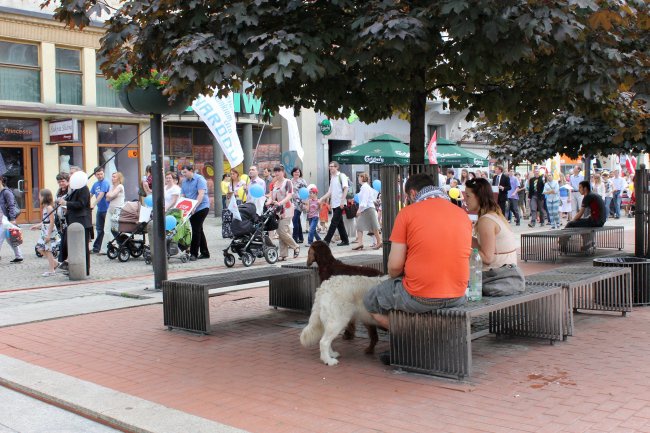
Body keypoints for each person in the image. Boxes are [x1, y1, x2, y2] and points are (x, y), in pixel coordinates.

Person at [363, 174, 470, 356]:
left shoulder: (407, 213)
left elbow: (394, 267)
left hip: (419, 296)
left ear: (412, 193)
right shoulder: (461, 214)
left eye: (406, 197)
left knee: (370, 300)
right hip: (459, 294)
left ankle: (412, 340)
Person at [464, 178, 525, 296]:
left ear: (479, 197)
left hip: (496, 276)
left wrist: (462, 251)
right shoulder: (494, 214)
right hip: (507, 273)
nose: (465, 200)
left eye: (468, 196)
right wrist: (463, 237)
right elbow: (486, 247)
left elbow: (487, 258)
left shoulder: (486, 220)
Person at [58, 171, 92, 276]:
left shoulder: (84, 189)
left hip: (82, 221)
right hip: (73, 220)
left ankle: (84, 270)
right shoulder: (74, 189)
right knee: (71, 246)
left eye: (72, 174)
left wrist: (66, 203)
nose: (70, 176)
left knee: (83, 247)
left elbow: (81, 204)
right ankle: (73, 267)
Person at [268, 164, 300, 261]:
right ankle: (283, 255)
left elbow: (289, 195)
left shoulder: (287, 182)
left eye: (279, 171)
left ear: (283, 172)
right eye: (275, 171)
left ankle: (295, 246)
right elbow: (271, 196)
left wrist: (280, 203)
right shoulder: (274, 183)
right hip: (276, 211)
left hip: (286, 209)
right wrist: (268, 202)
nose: (277, 173)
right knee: (280, 232)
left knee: (281, 231)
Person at [180, 165, 211, 260]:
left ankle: (194, 254)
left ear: (191, 171)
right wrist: (182, 207)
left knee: (196, 229)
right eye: (182, 173)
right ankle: (205, 252)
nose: (184, 174)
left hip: (201, 207)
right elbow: (183, 195)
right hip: (190, 208)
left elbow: (201, 194)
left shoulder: (199, 179)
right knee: (199, 229)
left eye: (185, 172)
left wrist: (194, 206)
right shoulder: (184, 181)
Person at [319, 161, 350, 246]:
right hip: (334, 203)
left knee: (334, 222)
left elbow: (346, 189)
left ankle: (326, 240)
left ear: (337, 167)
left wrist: (342, 201)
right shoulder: (332, 178)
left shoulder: (341, 176)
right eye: (329, 166)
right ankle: (345, 240)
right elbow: (330, 192)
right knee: (340, 223)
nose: (330, 168)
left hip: (340, 203)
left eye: (332, 166)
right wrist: (322, 198)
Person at [31, 189, 60, 276]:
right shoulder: (45, 208)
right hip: (44, 230)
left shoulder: (49, 208)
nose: (39, 197)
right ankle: (55, 263)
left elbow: (52, 222)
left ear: (44, 197)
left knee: (48, 250)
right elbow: (45, 221)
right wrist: (37, 226)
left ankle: (51, 270)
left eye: (40, 196)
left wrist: (48, 235)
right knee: (40, 248)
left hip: (49, 231)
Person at [352, 172, 381, 251]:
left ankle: (379, 241)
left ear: (362, 178)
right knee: (360, 226)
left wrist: (359, 210)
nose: (358, 179)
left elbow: (364, 201)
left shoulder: (365, 187)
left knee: (373, 227)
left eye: (359, 177)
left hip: (368, 209)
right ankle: (361, 243)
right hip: (367, 209)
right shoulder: (365, 187)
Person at [100, 171, 125, 255]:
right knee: (106, 229)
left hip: (118, 210)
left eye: (114, 176)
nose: (112, 178)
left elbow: (110, 195)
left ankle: (119, 244)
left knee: (114, 229)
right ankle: (104, 249)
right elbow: (107, 198)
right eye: (112, 176)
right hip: (110, 209)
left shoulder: (120, 186)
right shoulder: (111, 186)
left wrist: (110, 195)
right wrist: (110, 195)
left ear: (119, 178)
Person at [0, 175, 23, 263]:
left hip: (5, 220)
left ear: (1, 180)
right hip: (1, 220)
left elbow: (11, 205)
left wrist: (12, 219)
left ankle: (19, 255)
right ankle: (19, 256)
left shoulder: (6, 192)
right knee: (10, 239)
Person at [90, 167, 110, 254]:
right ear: (95, 175)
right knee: (99, 229)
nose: (100, 176)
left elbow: (101, 194)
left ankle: (102, 247)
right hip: (100, 210)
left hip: (107, 209)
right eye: (98, 174)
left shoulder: (105, 182)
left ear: (103, 173)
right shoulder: (95, 184)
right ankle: (97, 247)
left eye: (101, 174)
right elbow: (90, 194)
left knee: (106, 229)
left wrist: (93, 204)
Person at [290, 167, 307, 244]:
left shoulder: (302, 181)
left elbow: (305, 193)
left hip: (299, 203)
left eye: (298, 172)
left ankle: (294, 238)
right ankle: (301, 237)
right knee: (297, 221)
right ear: (292, 173)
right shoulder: (290, 181)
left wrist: (304, 203)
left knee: (294, 220)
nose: (297, 173)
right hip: (291, 203)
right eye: (295, 172)